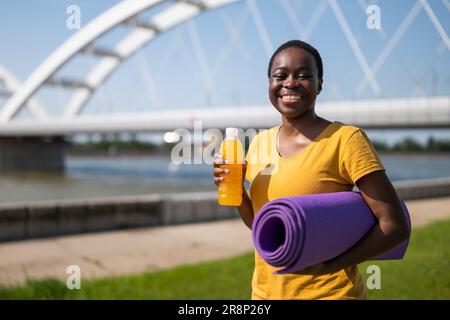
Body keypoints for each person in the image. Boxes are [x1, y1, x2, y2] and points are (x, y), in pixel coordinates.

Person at [213, 40, 410, 300]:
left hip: (331, 295)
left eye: (304, 75)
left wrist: (333, 265)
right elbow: (264, 228)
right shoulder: (259, 143)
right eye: (280, 76)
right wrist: (236, 190)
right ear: (269, 84)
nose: (290, 83)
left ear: (320, 83)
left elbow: (394, 225)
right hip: (264, 295)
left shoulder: (346, 140)